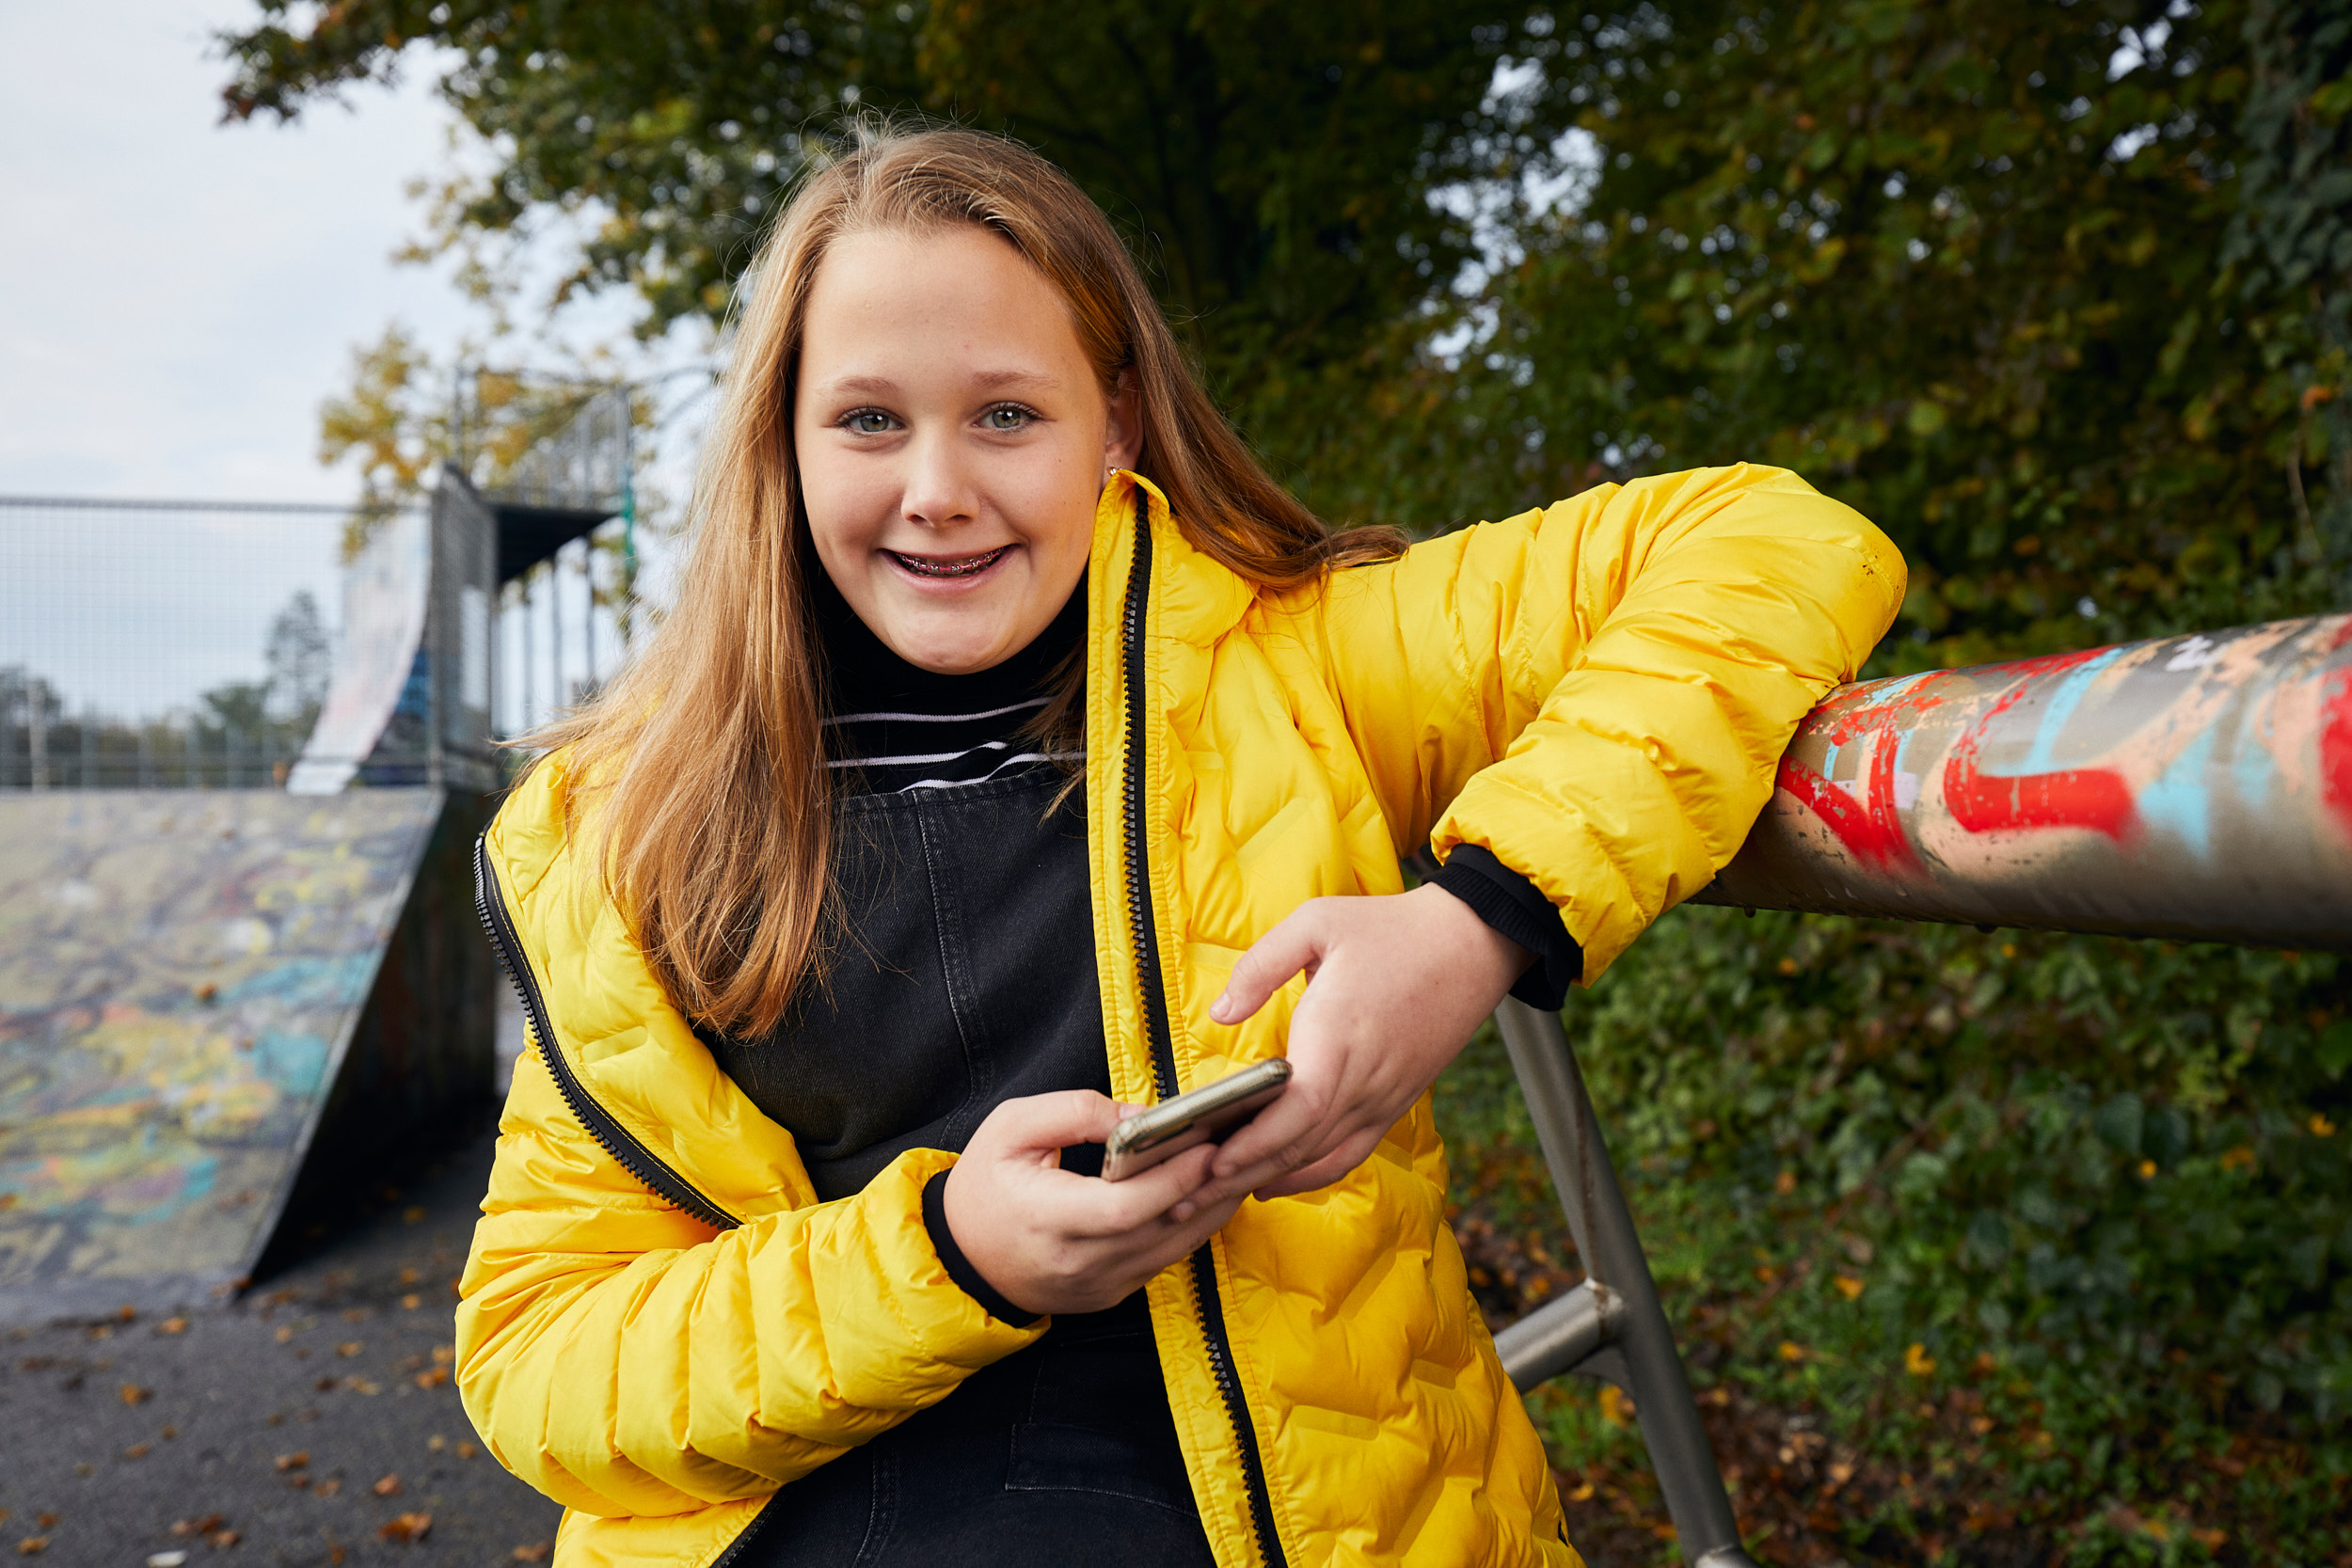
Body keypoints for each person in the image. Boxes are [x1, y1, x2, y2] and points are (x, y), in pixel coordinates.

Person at [456, 122, 1904, 1568]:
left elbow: (1773, 541)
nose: (939, 487)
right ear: (783, 439)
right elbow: (540, 1361)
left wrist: (1478, 919)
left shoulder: (1301, 665)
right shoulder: (625, 831)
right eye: (869, 420)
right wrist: (949, 1254)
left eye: (1008, 415)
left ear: (1120, 427)